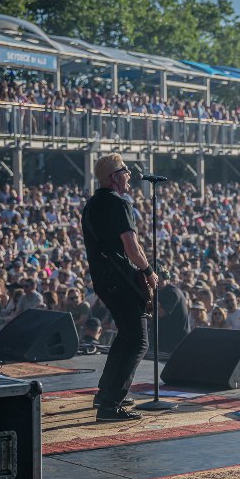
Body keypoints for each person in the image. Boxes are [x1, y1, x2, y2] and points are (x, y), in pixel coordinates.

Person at [81, 154, 158, 422]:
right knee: (138, 340)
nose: (129, 176)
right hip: (121, 280)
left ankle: (105, 393)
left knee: (126, 335)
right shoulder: (120, 204)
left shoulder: (90, 205)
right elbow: (131, 247)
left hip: (102, 281)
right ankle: (111, 405)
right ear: (115, 177)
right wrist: (148, 272)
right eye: (125, 171)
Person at [155, 270, 189, 353]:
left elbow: (160, 313)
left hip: (177, 340)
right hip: (165, 338)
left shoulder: (173, 292)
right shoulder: (159, 291)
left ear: (165, 278)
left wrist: (151, 294)